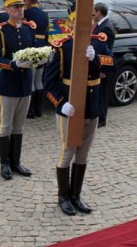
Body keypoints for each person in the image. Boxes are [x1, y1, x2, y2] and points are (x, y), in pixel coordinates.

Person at [43, 24, 114, 216]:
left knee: (83, 154)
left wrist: (96, 59)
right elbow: (48, 83)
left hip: (92, 107)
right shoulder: (62, 47)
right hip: (71, 108)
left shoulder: (98, 43)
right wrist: (60, 104)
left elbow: (111, 64)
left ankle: (76, 195)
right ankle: (63, 197)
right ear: (71, 24)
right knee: (68, 152)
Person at [0, 0, 36, 180]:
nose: (21, 10)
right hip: (8, 84)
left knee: (19, 126)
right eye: (16, 7)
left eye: (22, 6)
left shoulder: (27, 28)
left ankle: (16, 162)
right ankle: (4, 163)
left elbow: (32, 50)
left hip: (25, 83)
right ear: (7, 9)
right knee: (6, 125)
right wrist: (12, 64)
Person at [23, 0, 49, 119]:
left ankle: (30, 110)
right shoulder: (44, 14)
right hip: (43, 47)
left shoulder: (26, 13)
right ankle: (38, 109)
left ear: (27, 0)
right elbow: (47, 33)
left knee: (31, 79)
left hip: (32, 47)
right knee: (39, 79)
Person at [91, 2, 116, 128]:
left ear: (99, 12)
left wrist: (102, 69)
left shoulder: (106, 27)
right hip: (96, 63)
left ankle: (102, 118)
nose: (92, 14)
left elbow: (107, 50)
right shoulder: (101, 24)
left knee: (102, 93)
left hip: (102, 66)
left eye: (93, 11)